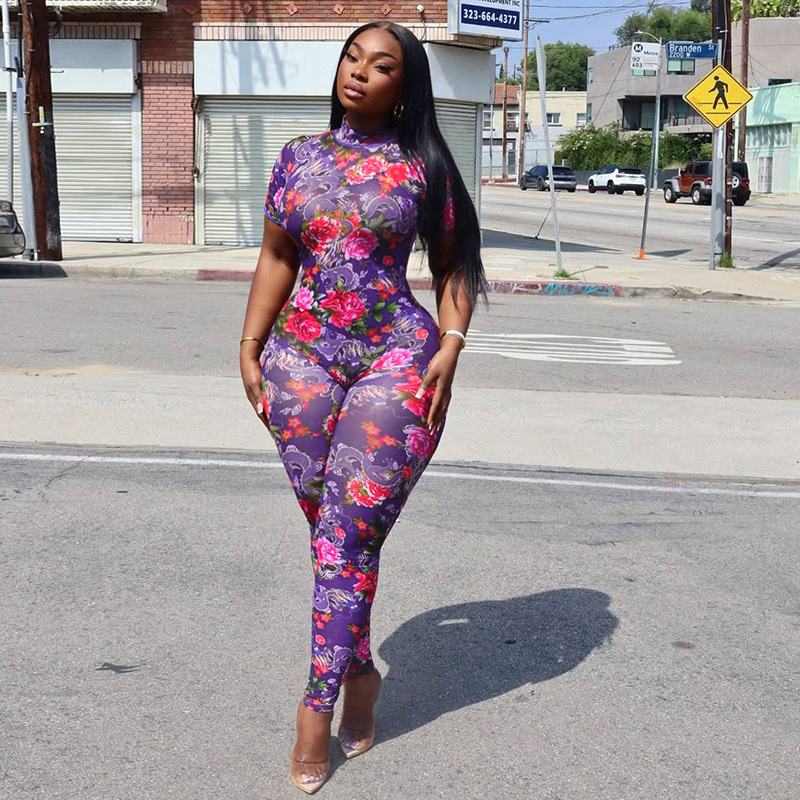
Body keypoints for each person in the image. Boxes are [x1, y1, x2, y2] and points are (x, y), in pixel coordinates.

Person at [239, 20, 486, 794]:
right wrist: (249, 344)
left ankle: (317, 710)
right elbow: (277, 255)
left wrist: (452, 343)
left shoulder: (424, 165)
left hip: (397, 363)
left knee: (347, 540)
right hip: (299, 360)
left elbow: (456, 266)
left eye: (380, 66)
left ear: (403, 89)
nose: (359, 72)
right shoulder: (297, 158)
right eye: (352, 57)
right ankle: (362, 674)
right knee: (335, 543)